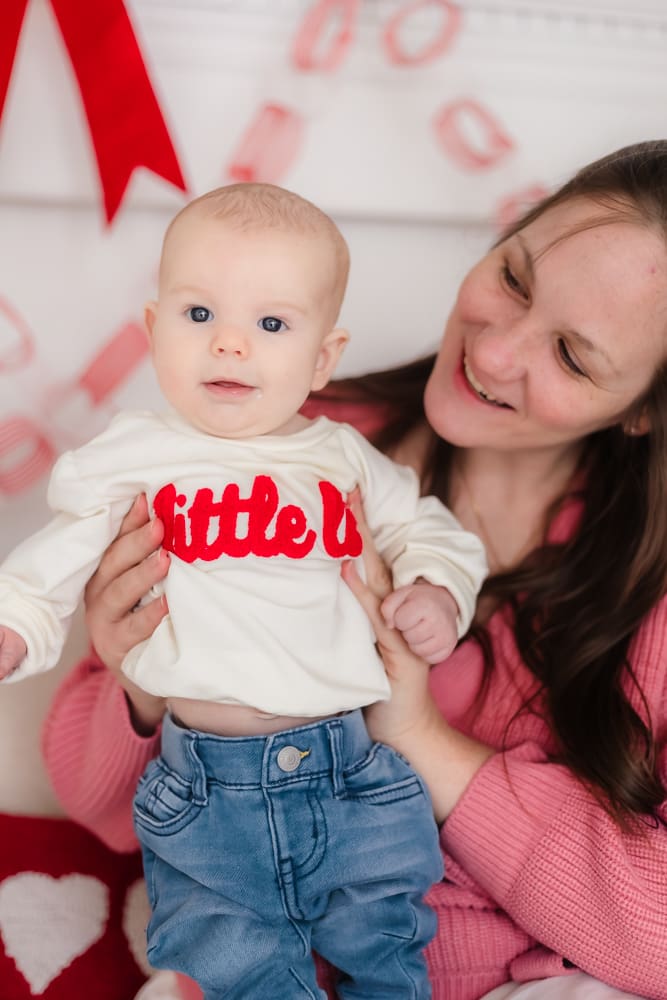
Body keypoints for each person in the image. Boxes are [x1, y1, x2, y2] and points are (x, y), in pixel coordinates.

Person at [41, 139, 667, 1000]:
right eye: (515, 279)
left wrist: (419, 736)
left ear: (642, 411)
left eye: (570, 354)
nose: (493, 354)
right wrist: (142, 688)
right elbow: (93, 800)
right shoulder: (267, 434)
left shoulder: (651, 592)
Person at [0, 183, 488, 998]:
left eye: (270, 325)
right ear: (155, 331)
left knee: (389, 947)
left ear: (322, 358)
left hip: (354, 773)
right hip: (204, 792)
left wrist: (436, 590)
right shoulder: (132, 458)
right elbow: (52, 557)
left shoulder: (343, 459)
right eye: (199, 317)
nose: (229, 346)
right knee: (235, 961)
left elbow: (431, 531)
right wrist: (16, 624)